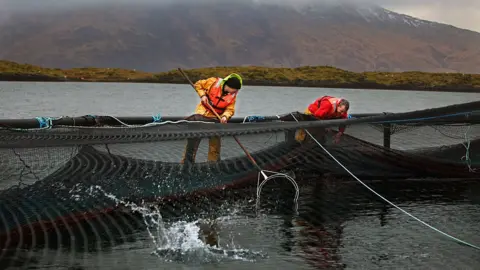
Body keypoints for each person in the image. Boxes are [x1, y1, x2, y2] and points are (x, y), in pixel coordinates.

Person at [181, 73, 243, 164]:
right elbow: (198, 84)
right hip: (201, 115)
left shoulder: (232, 96)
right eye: (234, 89)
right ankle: (187, 163)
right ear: (228, 86)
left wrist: (225, 116)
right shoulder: (213, 82)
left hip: (216, 120)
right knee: (193, 141)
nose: (235, 92)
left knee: (215, 145)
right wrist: (203, 96)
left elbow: (230, 109)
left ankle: (212, 165)